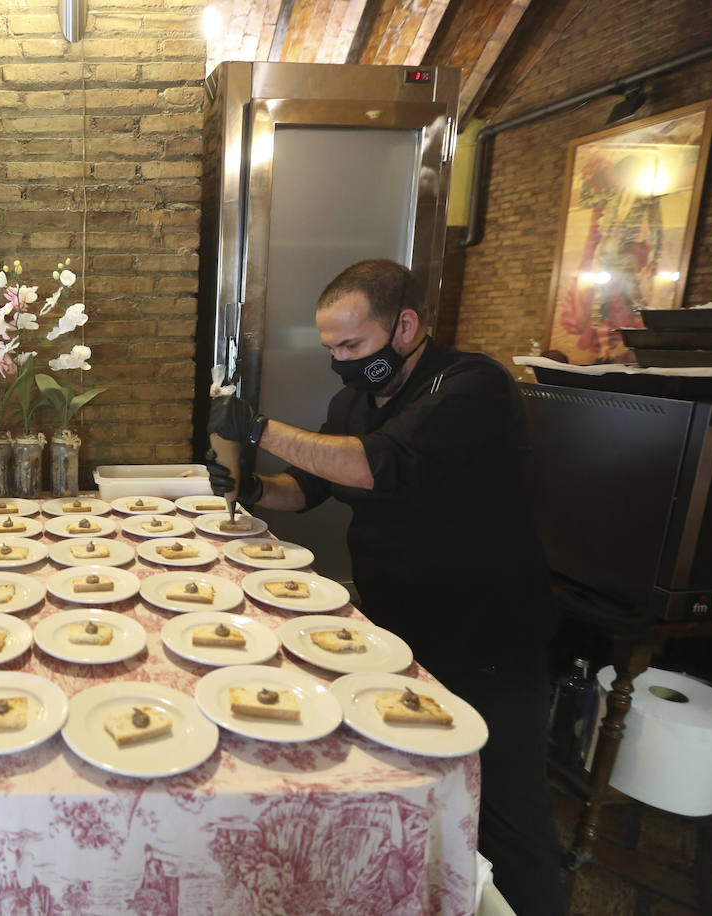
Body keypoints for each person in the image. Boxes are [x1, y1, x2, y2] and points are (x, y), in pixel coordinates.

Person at [206, 259, 564, 916]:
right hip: (396, 630)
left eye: (353, 345)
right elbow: (311, 486)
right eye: (331, 349)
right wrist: (253, 488)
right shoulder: (353, 401)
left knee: (509, 815)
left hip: (487, 636)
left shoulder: (471, 387)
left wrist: (256, 428)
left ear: (405, 325)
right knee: (408, 783)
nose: (341, 361)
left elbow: (376, 467)